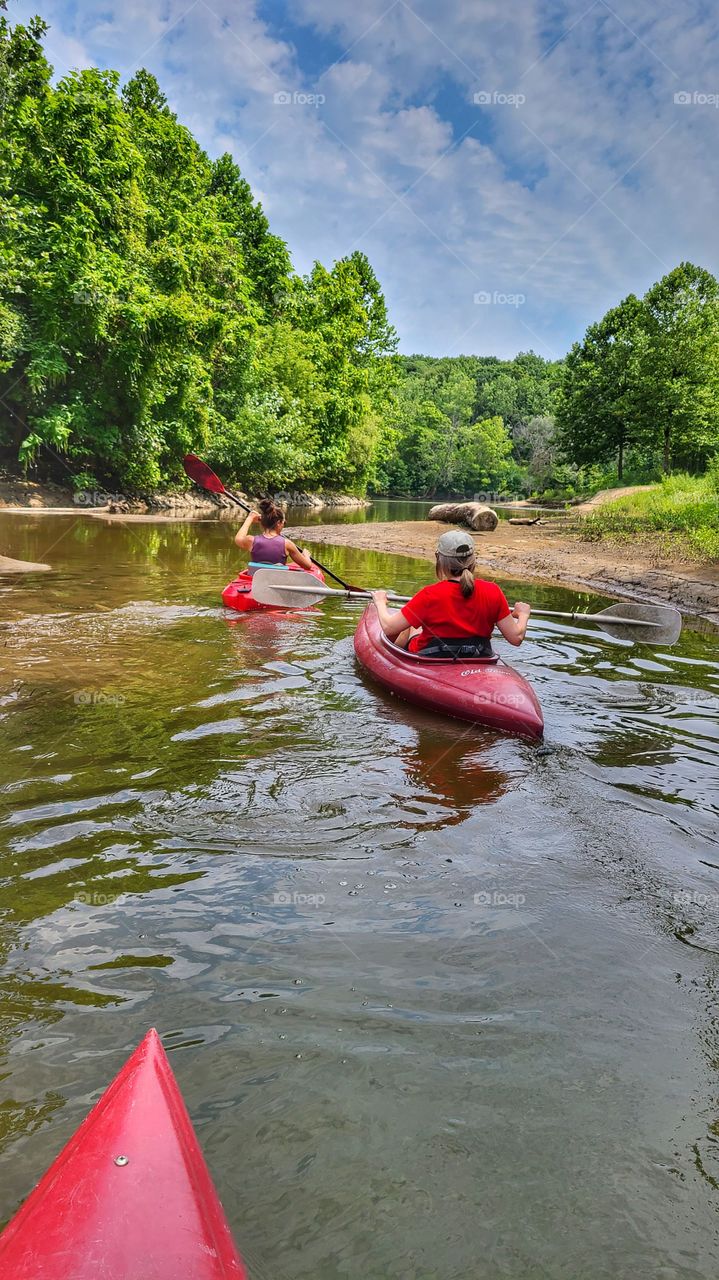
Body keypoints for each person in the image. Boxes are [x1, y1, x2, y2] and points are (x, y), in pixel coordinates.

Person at [372, 529, 530, 656]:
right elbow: (516, 638)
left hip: (430, 657)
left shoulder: (429, 594)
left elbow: (388, 627)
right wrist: (523, 614)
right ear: (473, 559)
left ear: (439, 559)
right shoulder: (493, 591)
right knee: (414, 623)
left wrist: (380, 602)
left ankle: (393, 659)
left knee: (408, 626)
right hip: (478, 655)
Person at [234, 498, 314, 573]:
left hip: (256, 583)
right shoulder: (287, 544)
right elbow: (307, 566)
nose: (283, 524)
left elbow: (238, 538)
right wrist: (306, 555)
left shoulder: (251, 541)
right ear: (279, 523)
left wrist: (250, 518)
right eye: (284, 522)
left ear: (262, 522)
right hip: (277, 582)